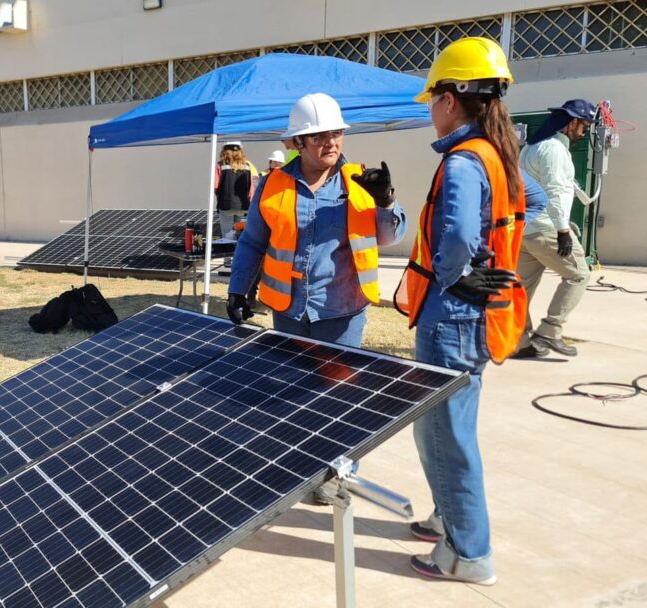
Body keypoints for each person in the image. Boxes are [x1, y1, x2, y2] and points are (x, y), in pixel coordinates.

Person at [397, 37, 548, 585]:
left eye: (433, 97)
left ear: (451, 99)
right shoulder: (498, 154)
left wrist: (458, 272)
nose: (431, 109)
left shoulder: (464, 161)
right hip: (480, 314)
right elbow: (539, 200)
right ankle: (448, 517)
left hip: (455, 317)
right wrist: (492, 256)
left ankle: (469, 554)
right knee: (441, 430)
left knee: (447, 436)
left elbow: (458, 234)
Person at [225, 92, 407, 503]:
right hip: (289, 310)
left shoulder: (360, 181)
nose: (331, 142)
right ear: (297, 143)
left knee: (340, 399)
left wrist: (387, 202)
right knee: (295, 393)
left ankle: (338, 477)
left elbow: (389, 236)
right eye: (319, 136)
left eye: (337, 133)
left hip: (342, 311)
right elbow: (254, 241)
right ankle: (304, 470)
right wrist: (238, 288)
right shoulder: (273, 184)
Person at [510, 99, 596, 358]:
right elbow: (555, 192)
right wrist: (562, 230)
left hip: (525, 229)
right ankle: (550, 331)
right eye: (584, 126)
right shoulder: (555, 150)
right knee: (579, 274)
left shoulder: (532, 146)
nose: (585, 133)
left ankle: (518, 342)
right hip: (545, 228)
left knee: (521, 287)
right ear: (572, 123)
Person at [213, 142, 259, 266]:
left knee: (227, 235)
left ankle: (228, 263)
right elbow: (253, 188)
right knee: (240, 235)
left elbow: (215, 186)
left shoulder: (220, 165)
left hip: (226, 205)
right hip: (243, 206)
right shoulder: (248, 166)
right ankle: (239, 261)